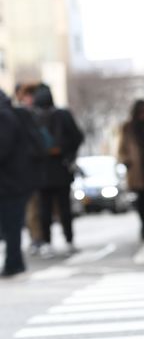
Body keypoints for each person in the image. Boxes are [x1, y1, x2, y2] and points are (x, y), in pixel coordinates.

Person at [32, 84, 84, 256]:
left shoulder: (33, 118)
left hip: (43, 172)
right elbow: (77, 137)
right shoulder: (63, 115)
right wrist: (67, 154)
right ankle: (68, 240)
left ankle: (47, 242)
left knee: (45, 209)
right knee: (64, 207)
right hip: (60, 168)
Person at [0, 89, 41, 276]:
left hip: (11, 182)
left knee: (12, 225)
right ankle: (14, 262)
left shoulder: (4, 117)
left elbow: (3, 148)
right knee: (11, 225)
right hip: (14, 181)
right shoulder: (10, 114)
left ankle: (14, 263)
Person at [118, 99, 144, 241]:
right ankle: (143, 224)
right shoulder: (128, 127)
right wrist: (126, 160)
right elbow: (122, 147)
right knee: (141, 197)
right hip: (136, 168)